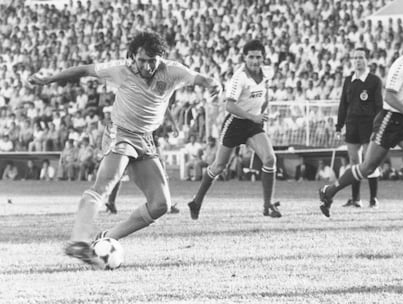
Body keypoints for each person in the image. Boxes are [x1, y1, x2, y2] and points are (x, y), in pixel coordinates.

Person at [28, 31, 221, 265]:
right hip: (120, 133)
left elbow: (199, 78)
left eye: (152, 60)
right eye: (142, 60)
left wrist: (212, 83)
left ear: (160, 58)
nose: (148, 66)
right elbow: (85, 69)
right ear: (133, 57)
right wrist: (50, 79)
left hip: (145, 140)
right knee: (107, 182)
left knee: (161, 205)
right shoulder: (121, 70)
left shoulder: (172, 71)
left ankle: (106, 239)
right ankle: (78, 240)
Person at [319, 32, 403, 217]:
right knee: (367, 167)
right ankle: (328, 191)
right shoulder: (401, 66)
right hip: (390, 120)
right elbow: (389, 96)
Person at [187, 40, 282, 220]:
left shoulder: (267, 72)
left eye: (258, 57)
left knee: (270, 159)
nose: (255, 61)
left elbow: (265, 93)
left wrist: (262, 111)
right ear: (244, 58)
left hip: (253, 125)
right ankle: (196, 201)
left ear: (263, 58)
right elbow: (229, 106)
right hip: (235, 124)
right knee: (219, 166)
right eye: (251, 57)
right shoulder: (240, 77)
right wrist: (253, 116)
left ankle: (267, 205)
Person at [335, 47, 383, 208]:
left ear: (367, 60)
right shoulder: (348, 80)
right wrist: (339, 126)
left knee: (370, 162)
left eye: (361, 57)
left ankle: (373, 199)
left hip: (369, 127)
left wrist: (377, 128)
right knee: (355, 162)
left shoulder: (374, 81)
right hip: (351, 126)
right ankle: (356, 199)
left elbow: (379, 107)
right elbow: (343, 105)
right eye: (355, 57)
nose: (357, 60)